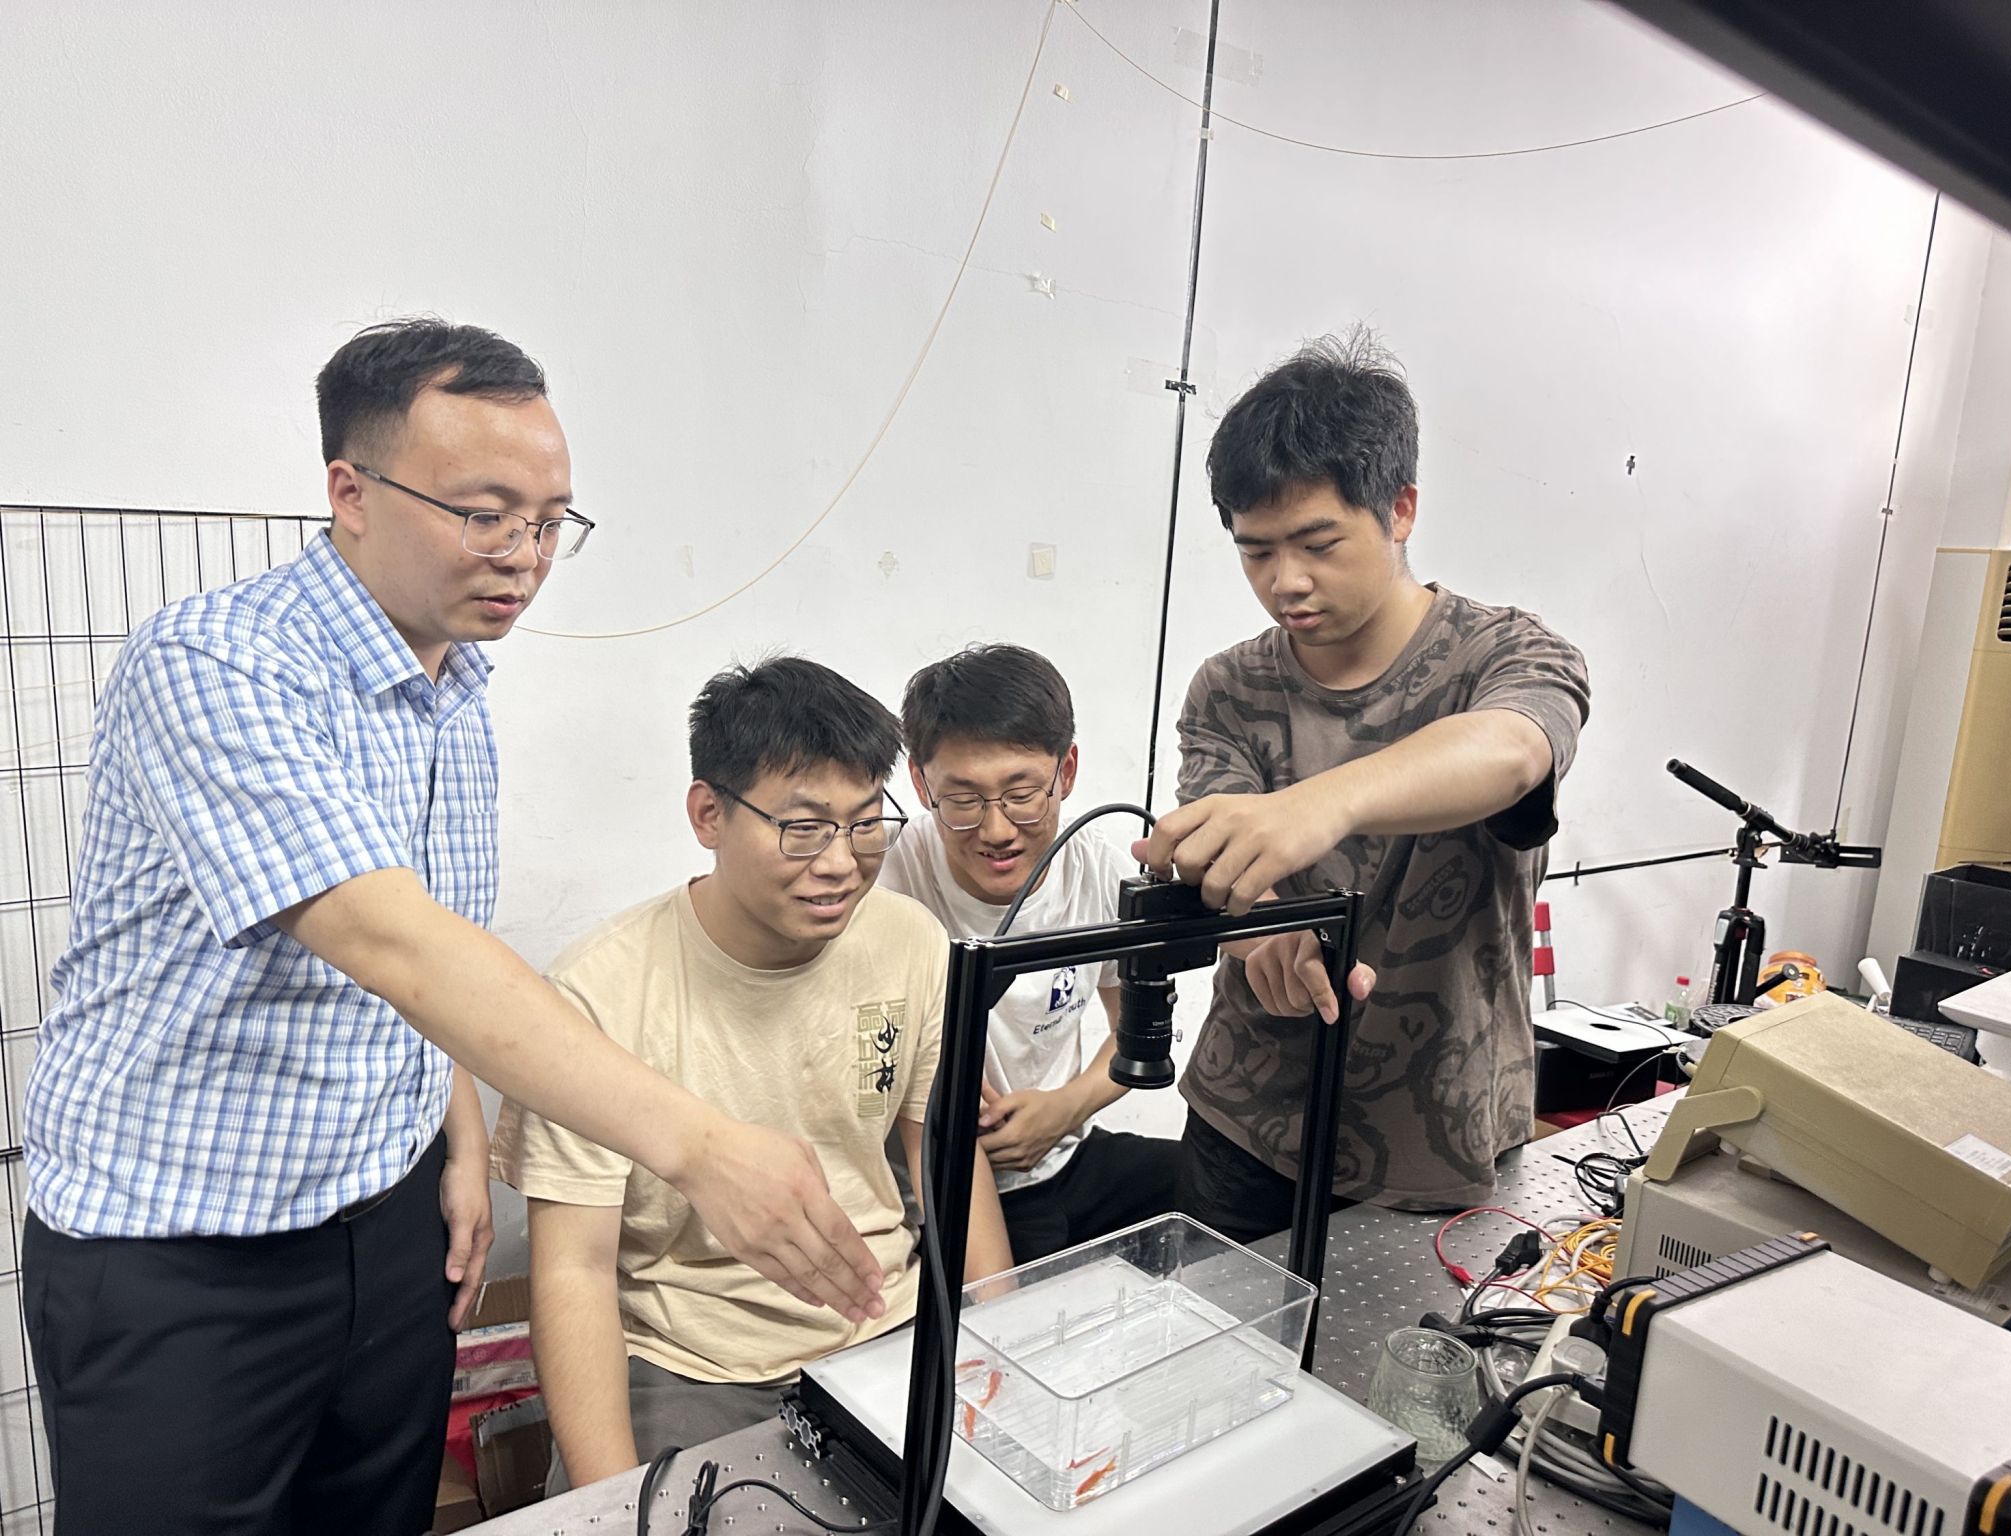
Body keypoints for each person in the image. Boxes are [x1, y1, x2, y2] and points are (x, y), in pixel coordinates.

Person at [21, 321, 884, 1536]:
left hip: (388, 1218)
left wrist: (458, 1138)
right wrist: (698, 1146)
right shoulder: (217, 664)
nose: (523, 556)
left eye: (550, 522)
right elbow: (389, 941)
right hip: (184, 1248)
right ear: (351, 491)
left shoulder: (453, 691)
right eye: (484, 515)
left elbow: (429, 962)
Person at [494, 657, 1012, 1488]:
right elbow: (573, 1268)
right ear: (709, 814)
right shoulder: (599, 990)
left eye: (865, 823)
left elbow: (945, 1155)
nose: (840, 862)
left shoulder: (909, 939)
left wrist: (1000, 1345)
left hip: (886, 1326)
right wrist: (609, 1500)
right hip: (689, 1362)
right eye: (803, 827)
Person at [1134, 328, 1592, 1240]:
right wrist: (1263, 934)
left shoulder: (1505, 655)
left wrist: (1323, 802)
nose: (1286, 582)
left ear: (1400, 509)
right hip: (1249, 1120)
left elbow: (1512, 750)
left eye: (1318, 543)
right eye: (1256, 552)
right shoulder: (1228, 689)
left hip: (1442, 1129)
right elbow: (1225, 862)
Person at [884, 644, 1178, 1265]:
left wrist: (1063, 1110)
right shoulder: (887, 881)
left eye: (1022, 794)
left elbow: (1133, 1030)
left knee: (1221, 1191)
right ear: (920, 783)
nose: (996, 831)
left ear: (1065, 771)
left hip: (1066, 1152)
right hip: (944, 1185)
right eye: (962, 800)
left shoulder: (1100, 871)